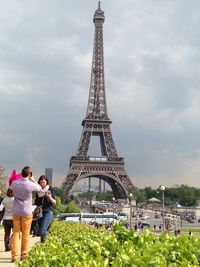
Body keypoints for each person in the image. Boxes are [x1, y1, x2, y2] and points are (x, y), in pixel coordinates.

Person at [11, 166, 41, 262]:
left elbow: (12, 187)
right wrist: (33, 180)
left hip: (16, 211)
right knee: (25, 234)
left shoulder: (14, 183)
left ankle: (14, 256)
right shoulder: (30, 184)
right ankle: (23, 255)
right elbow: (40, 189)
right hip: (26, 211)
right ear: (29, 175)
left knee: (15, 233)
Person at [35, 175, 56, 242]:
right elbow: (36, 203)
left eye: (43, 182)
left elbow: (55, 202)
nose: (42, 184)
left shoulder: (50, 190)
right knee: (41, 231)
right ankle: (45, 243)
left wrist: (49, 197)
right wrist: (38, 207)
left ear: (46, 182)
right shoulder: (38, 192)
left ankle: (44, 244)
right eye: (41, 182)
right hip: (40, 212)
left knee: (43, 230)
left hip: (48, 211)